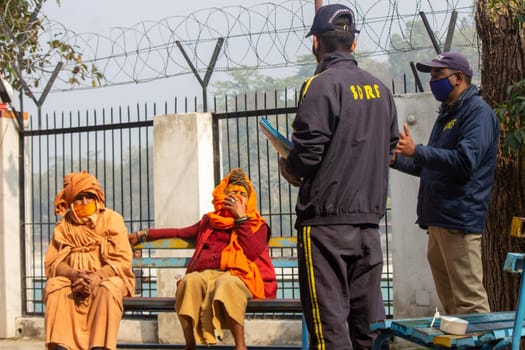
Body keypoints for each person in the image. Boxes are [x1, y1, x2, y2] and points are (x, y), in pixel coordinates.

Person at [278, 4, 399, 349]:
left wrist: (290, 167)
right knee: (369, 329)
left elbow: (308, 156)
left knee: (329, 330)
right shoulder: (381, 90)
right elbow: (390, 149)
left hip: (325, 227)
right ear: (353, 44)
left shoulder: (319, 85)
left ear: (316, 43)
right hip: (368, 226)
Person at [391, 51, 499, 315]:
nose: (432, 80)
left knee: (470, 304)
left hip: (458, 221)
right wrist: (395, 158)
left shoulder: (478, 114)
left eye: (438, 74)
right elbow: (432, 167)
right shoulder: (448, 114)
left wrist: (418, 151)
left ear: (458, 77)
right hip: (438, 222)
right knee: (451, 305)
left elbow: (465, 161)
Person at [129, 168, 277, 350]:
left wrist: (241, 219)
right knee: (189, 282)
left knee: (227, 284)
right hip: (206, 272)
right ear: (223, 195)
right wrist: (144, 234)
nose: (237, 197)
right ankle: (190, 345)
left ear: (249, 199)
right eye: (232, 192)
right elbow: (180, 232)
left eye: (242, 194)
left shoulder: (257, 224)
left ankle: (240, 345)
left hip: (240, 275)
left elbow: (252, 252)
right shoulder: (210, 221)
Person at [44, 171, 135, 350]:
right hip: (74, 279)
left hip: (107, 277)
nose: (84, 203)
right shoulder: (63, 227)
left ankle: (99, 346)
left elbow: (122, 261)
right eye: (79, 198)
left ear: (97, 198)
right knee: (55, 287)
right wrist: (73, 274)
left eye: (89, 197)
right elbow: (53, 263)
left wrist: (97, 277)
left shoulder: (112, 220)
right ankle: (63, 345)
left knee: (108, 289)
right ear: (71, 201)